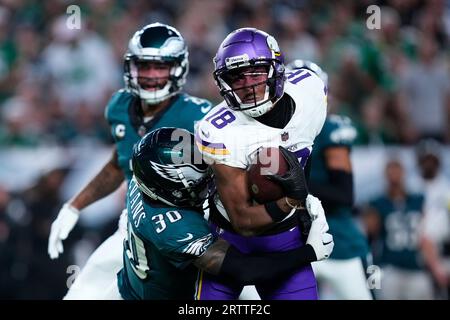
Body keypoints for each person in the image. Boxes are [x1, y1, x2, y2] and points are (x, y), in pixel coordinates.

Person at [47, 23, 213, 299]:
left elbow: (225, 173)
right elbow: (118, 163)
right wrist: (74, 207)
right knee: (81, 295)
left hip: (181, 228)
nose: (150, 75)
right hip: (134, 227)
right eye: (143, 66)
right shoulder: (119, 106)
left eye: (159, 67)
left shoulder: (200, 117)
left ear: (178, 68)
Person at [105, 127, 333, 299]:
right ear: (164, 188)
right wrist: (308, 252)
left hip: (130, 283)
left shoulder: (143, 175)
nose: (207, 182)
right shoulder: (175, 228)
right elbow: (244, 271)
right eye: (193, 183)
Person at [194, 28, 328, 300]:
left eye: (255, 73)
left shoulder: (310, 92)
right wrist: (293, 200)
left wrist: (305, 204)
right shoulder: (219, 130)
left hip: (284, 238)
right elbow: (242, 220)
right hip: (229, 240)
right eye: (236, 77)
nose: (247, 85)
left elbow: (306, 149)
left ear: (276, 70)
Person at [287, 59, 372, 300]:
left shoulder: (330, 130)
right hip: (291, 247)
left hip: (337, 244)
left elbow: (344, 195)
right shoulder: (269, 133)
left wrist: (293, 186)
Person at [363, 159, 434, 300]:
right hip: (390, 268)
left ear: (403, 173)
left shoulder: (418, 200)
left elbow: (427, 234)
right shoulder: (378, 203)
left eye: (397, 171)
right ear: (385, 175)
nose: (394, 175)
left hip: (416, 267)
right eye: (391, 171)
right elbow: (370, 234)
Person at [416, 139, 450, 298]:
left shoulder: (446, 187)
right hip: (415, 249)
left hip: (442, 248)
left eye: (432, 160)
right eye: (425, 160)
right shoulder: (411, 185)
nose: (428, 163)